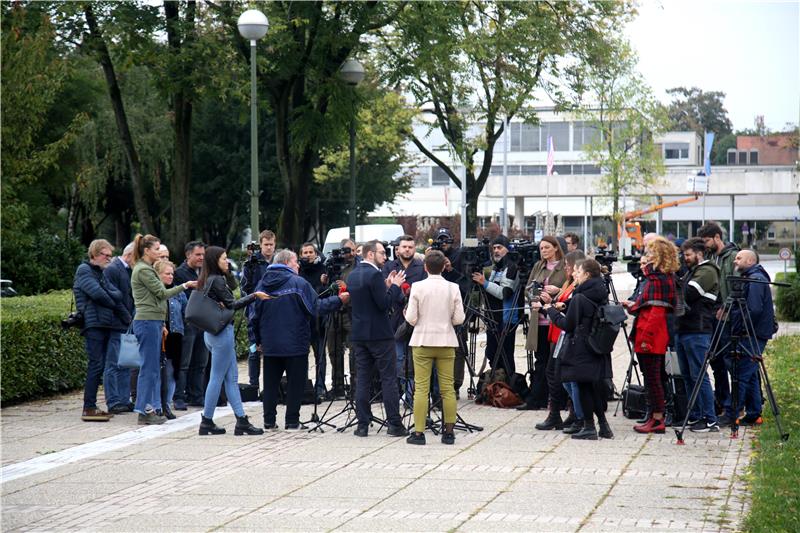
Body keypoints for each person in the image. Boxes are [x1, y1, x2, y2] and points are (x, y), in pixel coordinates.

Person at [252, 250, 347, 430]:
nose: (298, 265)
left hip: (270, 343)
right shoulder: (298, 283)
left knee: (270, 383)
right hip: (295, 343)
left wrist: (257, 340)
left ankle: (269, 421)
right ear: (287, 262)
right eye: (296, 262)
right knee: (296, 383)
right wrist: (339, 300)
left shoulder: (262, 283)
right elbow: (315, 307)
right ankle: (292, 421)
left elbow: (254, 316)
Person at [196, 246, 268, 436]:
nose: (227, 261)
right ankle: (207, 421)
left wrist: (229, 276)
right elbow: (233, 304)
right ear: (215, 261)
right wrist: (255, 296)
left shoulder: (208, 279)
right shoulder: (216, 280)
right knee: (217, 377)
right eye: (224, 259)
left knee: (230, 378)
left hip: (211, 334)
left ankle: (240, 420)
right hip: (221, 334)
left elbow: (232, 292)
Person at [544, 259, 613, 440]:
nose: (575, 274)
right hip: (596, 346)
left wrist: (550, 311)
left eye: (578, 272)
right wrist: (566, 306)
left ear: (587, 275)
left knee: (583, 387)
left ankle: (589, 426)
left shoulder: (580, 296)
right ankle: (604, 426)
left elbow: (567, 325)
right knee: (592, 387)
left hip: (581, 348)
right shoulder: (599, 291)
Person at [131, 234, 196, 425]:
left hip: (153, 322)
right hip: (148, 321)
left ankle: (146, 408)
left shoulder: (146, 269)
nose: (160, 253)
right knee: (149, 368)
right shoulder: (144, 270)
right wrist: (185, 285)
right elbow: (161, 293)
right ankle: (144, 410)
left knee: (151, 368)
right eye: (157, 249)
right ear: (147, 250)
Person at [346, 240, 408, 437]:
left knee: (362, 378)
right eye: (382, 253)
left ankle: (362, 424)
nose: (386, 256)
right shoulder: (374, 274)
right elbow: (384, 304)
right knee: (388, 378)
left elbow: (368, 299)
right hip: (379, 335)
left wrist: (386, 285)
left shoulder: (353, 274)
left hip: (359, 334)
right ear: (370, 254)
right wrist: (395, 286)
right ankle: (394, 424)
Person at [404, 251, 465, 445]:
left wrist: (407, 314)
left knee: (421, 388)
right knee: (447, 388)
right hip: (446, 341)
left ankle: (419, 433)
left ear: (425, 267)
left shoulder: (417, 287)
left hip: (422, 340)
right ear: (444, 267)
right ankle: (448, 432)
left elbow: (412, 319)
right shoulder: (453, 287)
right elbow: (459, 319)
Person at [623, 237, 679, 434]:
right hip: (650, 332)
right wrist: (634, 306)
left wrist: (646, 339)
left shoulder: (658, 280)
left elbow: (656, 313)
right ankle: (655, 417)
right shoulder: (658, 278)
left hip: (651, 335)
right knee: (651, 378)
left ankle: (657, 418)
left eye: (650, 253)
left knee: (653, 379)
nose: (645, 257)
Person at [73, 239, 132, 422]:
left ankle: (93, 405)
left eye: (109, 255)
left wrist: (128, 319)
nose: (109, 258)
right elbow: (98, 294)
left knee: (104, 365)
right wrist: (111, 296)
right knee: (96, 365)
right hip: (94, 324)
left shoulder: (101, 272)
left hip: (104, 323)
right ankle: (88, 406)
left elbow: (117, 295)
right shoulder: (85, 270)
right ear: (95, 254)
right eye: (105, 255)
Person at [534, 250, 585, 432]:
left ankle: (565, 413)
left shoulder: (576, 286)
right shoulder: (567, 283)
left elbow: (569, 309)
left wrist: (553, 306)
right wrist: (549, 302)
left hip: (563, 334)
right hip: (556, 333)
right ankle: (563, 413)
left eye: (567, 266)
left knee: (558, 376)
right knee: (555, 375)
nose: (565, 269)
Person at [675, 237, 720, 433]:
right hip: (684, 329)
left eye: (688, 254)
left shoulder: (707, 271)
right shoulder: (692, 271)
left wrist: (675, 278)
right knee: (688, 376)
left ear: (699, 253)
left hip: (698, 330)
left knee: (699, 375)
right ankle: (696, 415)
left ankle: (710, 419)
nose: (684, 258)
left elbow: (688, 294)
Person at [724, 250, 774, 426]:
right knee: (750, 373)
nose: (735, 261)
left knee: (743, 372)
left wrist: (742, 328)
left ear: (751, 261)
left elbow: (754, 309)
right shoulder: (749, 277)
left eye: (739, 258)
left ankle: (731, 413)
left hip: (754, 333)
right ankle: (753, 413)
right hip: (753, 332)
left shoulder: (755, 280)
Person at [520, 236, 567, 410]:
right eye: (541, 248)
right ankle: (536, 398)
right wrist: (536, 296)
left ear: (556, 248)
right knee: (540, 360)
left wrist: (556, 293)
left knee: (555, 361)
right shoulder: (538, 266)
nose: (544, 251)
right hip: (538, 319)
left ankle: (557, 400)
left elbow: (571, 289)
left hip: (556, 320)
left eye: (547, 247)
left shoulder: (565, 266)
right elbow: (527, 288)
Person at [697, 221, 739, 413]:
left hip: (727, 316)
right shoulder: (711, 257)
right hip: (712, 315)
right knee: (716, 361)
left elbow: (737, 286)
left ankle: (736, 405)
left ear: (717, 237)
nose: (705, 245)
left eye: (707, 240)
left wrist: (726, 306)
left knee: (730, 362)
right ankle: (722, 400)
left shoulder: (732, 257)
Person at [471, 235, 524, 378]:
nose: (496, 251)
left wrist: (484, 283)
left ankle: (507, 387)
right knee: (492, 353)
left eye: (499, 247)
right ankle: (496, 384)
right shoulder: (495, 267)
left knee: (505, 355)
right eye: (494, 248)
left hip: (506, 320)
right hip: (493, 319)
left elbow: (504, 293)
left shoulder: (512, 267)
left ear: (507, 249)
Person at [383, 235, 427, 403]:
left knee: (415, 359)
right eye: (404, 247)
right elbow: (385, 290)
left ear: (414, 248)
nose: (407, 249)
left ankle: (411, 395)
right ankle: (400, 392)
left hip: (417, 319)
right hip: (395, 319)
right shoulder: (389, 267)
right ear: (398, 249)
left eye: (410, 246)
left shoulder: (421, 268)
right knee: (399, 358)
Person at [322, 238, 359, 398]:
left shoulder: (359, 266)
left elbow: (360, 286)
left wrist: (347, 286)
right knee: (333, 349)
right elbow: (327, 289)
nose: (347, 253)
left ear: (355, 249)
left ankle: (355, 386)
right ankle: (337, 386)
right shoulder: (333, 265)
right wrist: (325, 280)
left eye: (350, 250)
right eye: (344, 250)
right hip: (334, 311)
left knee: (354, 351)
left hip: (351, 312)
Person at [173, 240, 207, 409]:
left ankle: (197, 395)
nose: (201, 258)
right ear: (188, 255)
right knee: (184, 363)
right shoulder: (179, 273)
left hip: (203, 323)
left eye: (203, 255)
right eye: (198, 255)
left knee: (200, 363)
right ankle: (179, 396)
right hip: (188, 323)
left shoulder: (205, 272)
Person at [103, 241, 135, 414]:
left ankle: (124, 398)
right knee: (113, 363)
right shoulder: (113, 269)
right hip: (116, 323)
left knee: (125, 362)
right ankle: (114, 400)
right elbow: (116, 299)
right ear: (129, 255)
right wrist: (127, 317)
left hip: (125, 323)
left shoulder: (127, 270)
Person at [437, 228, 469, 396]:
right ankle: (437, 386)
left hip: (457, 307)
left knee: (458, 347)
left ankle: (455, 385)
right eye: (440, 241)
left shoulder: (460, 255)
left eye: (446, 240)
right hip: (435, 310)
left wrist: (450, 268)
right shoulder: (432, 256)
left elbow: (466, 284)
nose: (443, 244)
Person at [242, 230, 277, 388]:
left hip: (275, 309)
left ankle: (272, 385)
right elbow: (245, 287)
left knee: (273, 348)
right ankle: (253, 384)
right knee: (253, 349)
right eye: (266, 245)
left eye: (271, 244)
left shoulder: (278, 261)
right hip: (255, 310)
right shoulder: (252, 263)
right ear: (261, 245)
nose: (269, 248)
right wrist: (250, 265)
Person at [153, 259, 187, 420]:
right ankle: (156, 405)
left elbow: (186, 311)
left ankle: (167, 404)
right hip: (159, 335)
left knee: (172, 371)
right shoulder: (152, 292)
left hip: (175, 335)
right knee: (159, 371)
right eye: (167, 274)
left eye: (172, 273)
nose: (170, 277)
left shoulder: (178, 292)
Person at [298, 242, 328, 399]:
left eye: (311, 252)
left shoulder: (323, 269)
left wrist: (323, 284)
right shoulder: (298, 270)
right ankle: (302, 386)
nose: (308, 255)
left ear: (316, 254)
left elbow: (327, 294)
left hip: (319, 320)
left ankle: (320, 386)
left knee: (320, 356)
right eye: (305, 252)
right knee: (300, 355)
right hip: (302, 321)